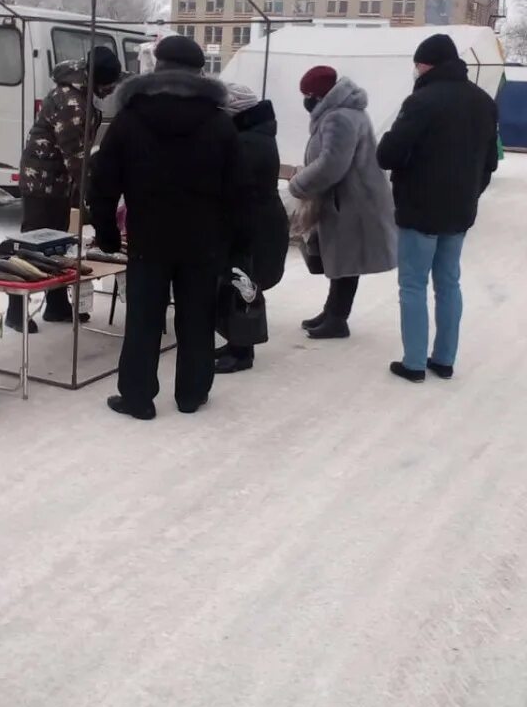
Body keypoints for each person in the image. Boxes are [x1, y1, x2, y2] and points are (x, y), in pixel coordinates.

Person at [89, 34, 244, 419]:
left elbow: (103, 182)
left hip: (148, 236)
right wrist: (232, 243)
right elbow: (238, 190)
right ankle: (192, 393)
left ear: (157, 67)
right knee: (196, 317)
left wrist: (107, 232)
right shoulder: (220, 124)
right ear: (199, 72)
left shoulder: (129, 119)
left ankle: (138, 397)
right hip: (202, 240)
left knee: (144, 318)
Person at [377, 33, 498, 383]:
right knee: (449, 283)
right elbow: (490, 161)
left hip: (420, 208)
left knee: (413, 284)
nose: (415, 70)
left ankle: (414, 362)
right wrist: (472, 193)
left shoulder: (421, 102)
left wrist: (389, 141)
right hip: (460, 210)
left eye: (417, 64)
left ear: (426, 64)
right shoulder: (483, 101)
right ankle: (444, 359)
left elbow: (388, 155)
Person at [10, 47, 122, 330]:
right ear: (97, 80)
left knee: (58, 242)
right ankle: (15, 308)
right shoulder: (72, 101)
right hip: (42, 181)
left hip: (58, 180)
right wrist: (96, 200)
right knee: (32, 244)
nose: (110, 92)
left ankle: (56, 303)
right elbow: (77, 159)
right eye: (108, 86)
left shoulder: (82, 93)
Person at [288, 65, 396, 340]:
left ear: (319, 95)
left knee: (346, 259)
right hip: (347, 198)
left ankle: (337, 318)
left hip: (352, 200)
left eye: (308, 94)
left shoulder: (339, 118)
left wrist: (299, 184)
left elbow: (332, 164)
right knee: (342, 257)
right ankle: (332, 311)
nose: (306, 100)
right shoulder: (341, 113)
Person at [215, 83, 289, 373]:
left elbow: (232, 186)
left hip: (254, 224)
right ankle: (236, 342)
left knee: (244, 284)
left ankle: (242, 352)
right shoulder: (255, 134)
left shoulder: (249, 143)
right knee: (239, 281)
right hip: (255, 219)